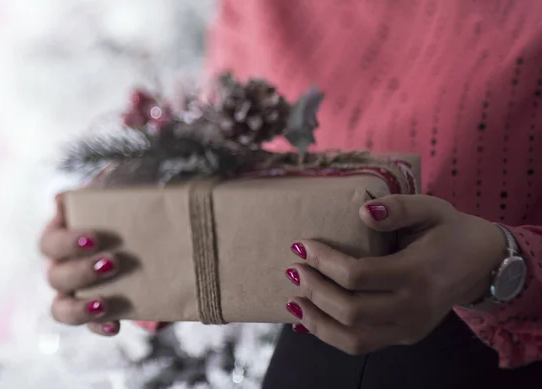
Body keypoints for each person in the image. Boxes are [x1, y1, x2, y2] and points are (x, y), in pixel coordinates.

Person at [39, 1, 542, 387]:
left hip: (476, 347)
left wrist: (501, 267)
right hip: (260, 333)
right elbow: (225, 163)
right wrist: (129, 234)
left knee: (370, 348)